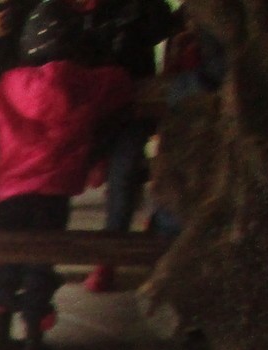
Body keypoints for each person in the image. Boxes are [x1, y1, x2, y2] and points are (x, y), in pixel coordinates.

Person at [0, 0, 135, 350]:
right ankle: (33, 339)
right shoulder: (86, 84)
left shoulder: (4, 87)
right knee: (41, 261)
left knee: (6, 257)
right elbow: (121, 84)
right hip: (54, 193)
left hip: (7, 194)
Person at [76, 0, 177, 292]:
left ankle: (108, 260)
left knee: (123, 176)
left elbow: (160, 27)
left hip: (132, 102)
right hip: (91, 102)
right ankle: (31, 267)